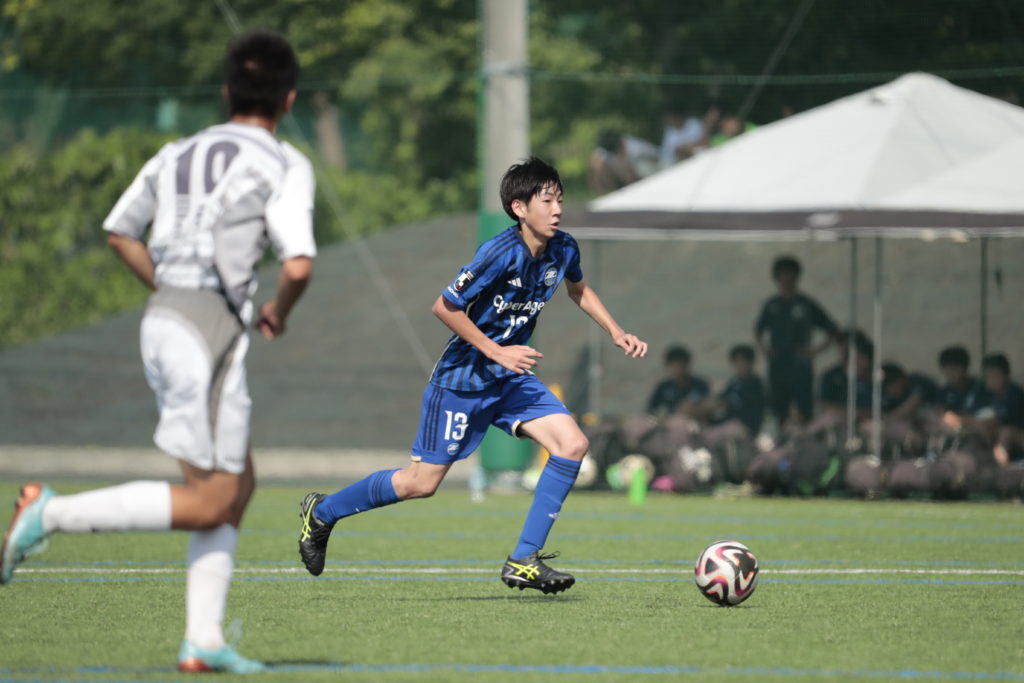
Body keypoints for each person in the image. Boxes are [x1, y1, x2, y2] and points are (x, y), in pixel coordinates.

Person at [0, 30, 315, 673]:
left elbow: (121, 231)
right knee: (212, 498)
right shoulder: (283, 161)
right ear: (289, 99)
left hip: (168, 317)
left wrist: (169, 290)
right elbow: (299, 264)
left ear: (226, 91)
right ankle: (49, 513)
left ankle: (203, 639)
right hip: (208, 333)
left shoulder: (178, 152)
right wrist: (277, 313)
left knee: (237, 484)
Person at [298, 157, 647, 594]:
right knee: (420, 483)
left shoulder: (564, 248)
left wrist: (616, 331)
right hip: (462, 379)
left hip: (510, 378)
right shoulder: (498, 253)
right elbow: (444, 306)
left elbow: (578, 288)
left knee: (572, 444)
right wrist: (496, 350)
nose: (557, 209)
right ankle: (323, 513)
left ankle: (524, 559)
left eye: (559, 199)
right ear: (519, 208)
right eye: (546, 200)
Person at [754, 256, 839, 428]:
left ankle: (805, 437)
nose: (786, 279)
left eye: (790, 274)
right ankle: (780, 438)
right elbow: (758, 330)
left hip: (800, 363)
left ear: (797, 276)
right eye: (782, 275)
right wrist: (764, 349)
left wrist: (814, 351)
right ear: (776, 277)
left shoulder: (806, 304)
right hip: (778, 362)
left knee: (804, 406)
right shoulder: (772, 304)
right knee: (778, 406)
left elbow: (832, 329)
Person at [704, 344, 766, 440]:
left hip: (746, 426)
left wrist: (720, 404)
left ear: (752, 363)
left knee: (710, 436)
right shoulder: (735, 382)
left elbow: (729, 402)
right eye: (737, 363)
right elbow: (721, 398)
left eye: (744, 363)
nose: (741, 366)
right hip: (731, 422)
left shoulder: (754, 383)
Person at [647, 345, 710, 419]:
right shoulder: (663, 387)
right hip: (672, 420)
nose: (678, 368)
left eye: (681, 364)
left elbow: (708, 407)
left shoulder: (700, 385)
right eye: (674, 365)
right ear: (668, 366)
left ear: (687, 364)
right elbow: (650, 409)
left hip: (695, 420)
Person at [588, 130, 660, 194]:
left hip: (652, 168)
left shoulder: (636, 148)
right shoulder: (609, 146)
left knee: (635, 167)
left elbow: (656, 158)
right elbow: (595, 163)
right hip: (629, 174)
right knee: (599, 164)